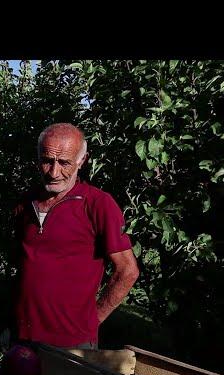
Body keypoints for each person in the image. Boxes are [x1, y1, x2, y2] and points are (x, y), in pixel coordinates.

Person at [11, 123, 139, 349]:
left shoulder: (98, 205)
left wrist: (92, 321)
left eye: (64, 163)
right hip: (23, 337)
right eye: (46, 160)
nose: (53, 172)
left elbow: (127, 270)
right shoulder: (26, 202)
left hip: (72, 342)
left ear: (82, 160)